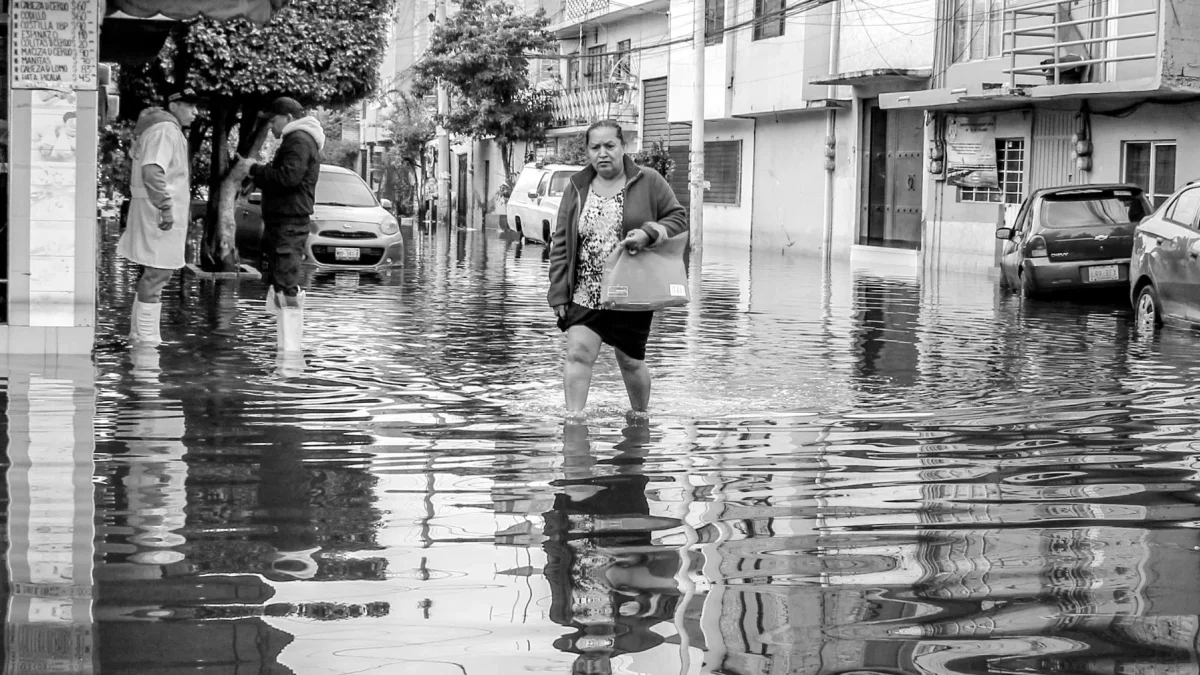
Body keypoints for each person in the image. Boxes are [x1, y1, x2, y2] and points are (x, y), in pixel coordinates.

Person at [547, 120, 688, 419]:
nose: (603, 153)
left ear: (623, 147)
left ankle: (640, 418)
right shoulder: (576, 187)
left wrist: (649, 233)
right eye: (595, 147)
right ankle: (574, 424)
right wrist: (559, 292)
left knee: (631, 361)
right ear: (586, 152)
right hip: (585, 291)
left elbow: (678, 218)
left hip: (630, 292)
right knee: (577, 354)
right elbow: (561, 241)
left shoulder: (648, 180)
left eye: (609, 145)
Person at [116, 88, 202, 346]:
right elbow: (153, 171)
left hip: (153, 211)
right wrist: (165, 206)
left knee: (154, 274)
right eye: (190, 105)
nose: (196, 112)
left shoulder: (160, 129)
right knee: (157, 275)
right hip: (158, 214)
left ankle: (139, 337)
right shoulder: (165, 130)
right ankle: (147, 343)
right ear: (173, 106)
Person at [240, 96, 325, 352]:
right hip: (285, 221)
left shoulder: (299, 139)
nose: (271, 127)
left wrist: (255, 170)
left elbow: (288, 177)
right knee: (282, 282)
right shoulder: (298, 139)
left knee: (287, 286)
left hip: (289, 222)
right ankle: (285, 350)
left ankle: (290, 354)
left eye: (273, 120)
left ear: (288, 118)